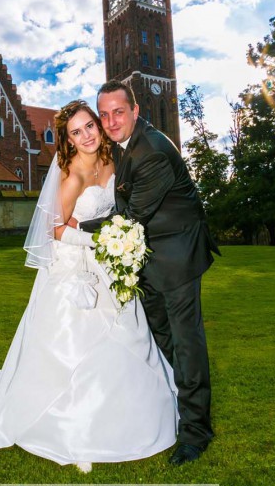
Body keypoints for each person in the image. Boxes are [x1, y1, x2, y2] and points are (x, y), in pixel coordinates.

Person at [0, 100, 178, 473]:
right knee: (74, 343)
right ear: (67, 140)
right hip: (76, 267)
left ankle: (131, 413)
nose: (85, 135)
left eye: (89, 126)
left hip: (108, 264)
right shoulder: (73, 175)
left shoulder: (112, 160)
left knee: (127, 333)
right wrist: (102, 244)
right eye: (75, 132)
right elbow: (55, 230)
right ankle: (70, 424)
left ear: (98, 127)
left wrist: (120, 240)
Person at [82, 80, 218, 466]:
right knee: (162, 336)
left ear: (135, 111)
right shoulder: (127, 144)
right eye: (104, 114)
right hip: (148, 257)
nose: (110, 121)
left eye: (118, 112)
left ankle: (196, 433)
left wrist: (76, 226)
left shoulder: (154, 150)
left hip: (177, 255)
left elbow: (129, 217)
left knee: (186, 341)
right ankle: (176, 407)